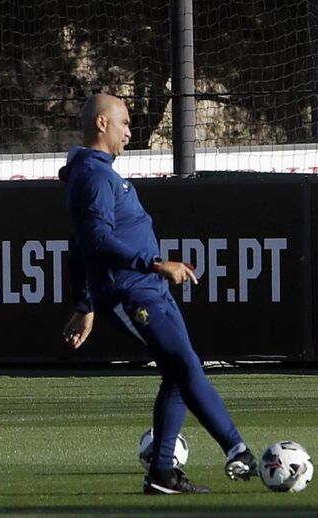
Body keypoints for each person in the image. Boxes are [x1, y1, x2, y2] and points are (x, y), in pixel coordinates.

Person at [59, 93, 257, 495]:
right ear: (102, 124)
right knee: (183, 367)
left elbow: (79, 245)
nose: (130, 132)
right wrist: (154, 264)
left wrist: (83, 304)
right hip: (130, 293)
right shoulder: (94, 176)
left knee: (180, 370)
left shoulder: (99, 172)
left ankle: (164, 473)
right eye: (125, 123)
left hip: (146, 291)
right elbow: (94, 241)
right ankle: (238, 451)